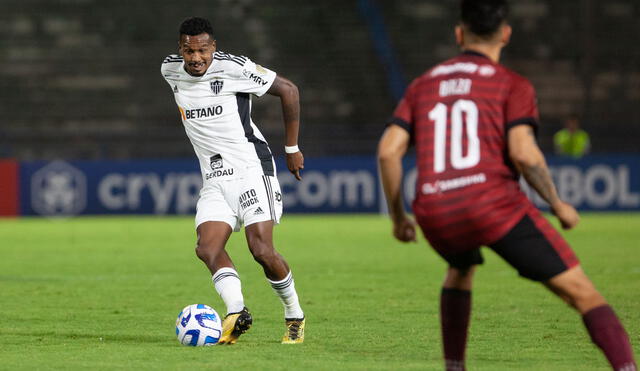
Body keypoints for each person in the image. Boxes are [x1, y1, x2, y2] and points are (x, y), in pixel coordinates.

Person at [377, 1, 636, 370]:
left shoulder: (423, 85)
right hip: (490, 205)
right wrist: (558, 203)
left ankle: (454, 365)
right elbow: (525, 154)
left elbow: (388, 152)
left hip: (435, 209)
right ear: (506, 34)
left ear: (459, 34)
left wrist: (399, 217)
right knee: (583, 293)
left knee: (460, 268)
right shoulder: (511, 84)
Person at [161, 17, 305, 344]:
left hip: (251, 168)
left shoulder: (233, 68)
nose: (195, 58)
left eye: (202, 50)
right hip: (213, 178)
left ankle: (294, 313)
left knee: (261, 249)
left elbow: (289, 90)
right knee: (207, 247)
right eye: (188, 51)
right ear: (179, 50)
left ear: (214, 47)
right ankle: (236, 310)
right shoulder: (169, 70)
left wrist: (292, 148)